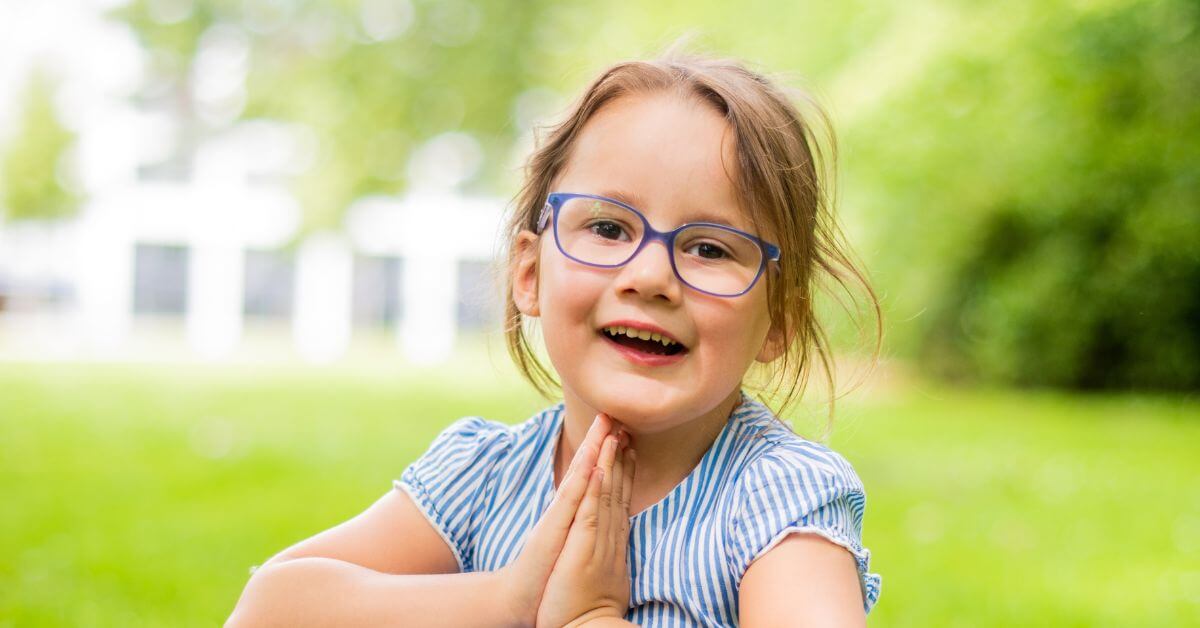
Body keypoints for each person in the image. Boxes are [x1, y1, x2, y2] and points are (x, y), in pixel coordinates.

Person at [227, 48, 883, 627]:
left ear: (781, 322)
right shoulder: (483, 476)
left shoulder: (775, 498)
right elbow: (267, 610)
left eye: (710, 247)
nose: (651, 275)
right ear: (531, 273)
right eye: (608, 229)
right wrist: (510, 601)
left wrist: (591, 619)